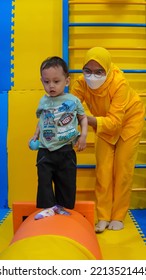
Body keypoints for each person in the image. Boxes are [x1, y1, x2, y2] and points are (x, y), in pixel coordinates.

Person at [71, 47, 145, 233]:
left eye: (98, 72)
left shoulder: (119, 84)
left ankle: (118, 216)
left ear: (108, 69)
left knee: (123, 169)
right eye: (87, 71)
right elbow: (69, 106)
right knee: (103, 170)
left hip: (129, 121)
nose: (92, 76)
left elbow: (115, 122)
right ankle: (103, 216)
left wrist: (86, 120)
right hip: (104, 121)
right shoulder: (81, 84)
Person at [29, 56, 88, 220]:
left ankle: (61, 206)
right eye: (46, 82)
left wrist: (83, 136)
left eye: (56, 81)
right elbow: (42, 120)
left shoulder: (73, 100)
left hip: (66, 150)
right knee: (44, 180)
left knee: (67, 181)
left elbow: (83, 118)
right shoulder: (43, 101)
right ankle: (48, 207)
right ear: (42, 81)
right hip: (45, 149)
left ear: (67, 81)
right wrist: (36, 134)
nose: (51, 86)